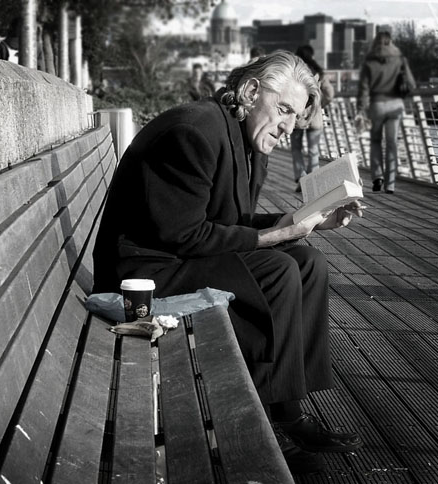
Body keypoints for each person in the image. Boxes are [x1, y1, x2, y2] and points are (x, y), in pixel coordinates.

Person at [92, 51, 364, 474]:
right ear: (252, 91)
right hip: (143, 276)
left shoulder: (242, 137)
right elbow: (183, 234)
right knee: (277, 271)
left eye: (294, 120)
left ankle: (286, 409)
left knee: (307, 261)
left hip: (179, 257)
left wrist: (307, 222)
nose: (288, 128)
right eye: (284, 110)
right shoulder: (193, 132)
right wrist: (277, 235)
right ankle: (246, 425)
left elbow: (230, 223)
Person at [357, 31, 416, 194]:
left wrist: (360, 108)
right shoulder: (400, 59)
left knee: (375, 141)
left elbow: (363, 89)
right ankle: (390, 184)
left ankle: (377, 177)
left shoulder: (369, 62)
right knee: (392, 144)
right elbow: (411, 83)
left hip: (376, 105)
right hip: (395, 105)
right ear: (391, 42)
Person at [291, 45, 334, 191]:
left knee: (296, 148)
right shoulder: (319, 73)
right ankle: (313, 182)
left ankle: (302, 177)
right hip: (315, 117)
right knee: (313, 150)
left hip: (298, 116)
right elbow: (330, 93)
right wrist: (319, 105)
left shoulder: (295, 72)